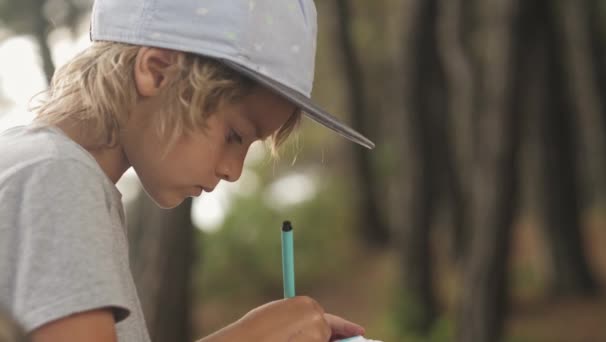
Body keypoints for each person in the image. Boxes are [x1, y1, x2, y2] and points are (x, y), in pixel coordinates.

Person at [0, 0, 375, 341]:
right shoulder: (57, 180)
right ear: (157, 71)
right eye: (234, 135)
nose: (234, 171)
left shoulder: (37, 167)